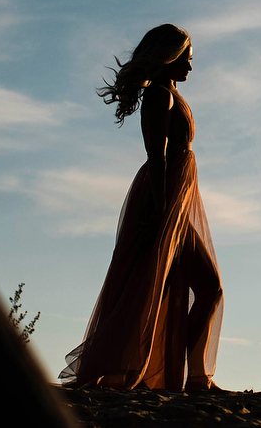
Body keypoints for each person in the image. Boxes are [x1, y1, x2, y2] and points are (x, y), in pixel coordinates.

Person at [61, 24, 224, 391]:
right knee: (166, 288)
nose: (190, 67)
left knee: (191, 287)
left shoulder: (171, 94)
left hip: (174, 200)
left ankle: (193, 376)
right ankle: (190, 376)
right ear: (167, 56)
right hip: (162, 199)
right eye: (186, 58)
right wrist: (163, 208)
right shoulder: (159, 97)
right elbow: (157, 155)